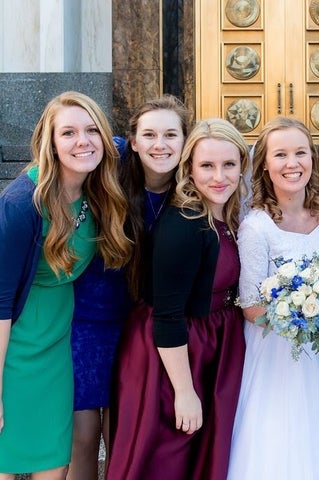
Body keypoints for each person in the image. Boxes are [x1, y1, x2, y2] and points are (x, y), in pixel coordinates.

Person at [0, 91, 132, 479]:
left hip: (53, 343)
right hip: (3, 340)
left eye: (91, 130)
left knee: (54, 461)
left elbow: (148, 144)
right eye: (67, 133)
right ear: (49, 143)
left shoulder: (96, 187)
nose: (82, 141)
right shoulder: (21, 204)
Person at [106, 118, 248, 480]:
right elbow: (167, 316)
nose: (219, 176)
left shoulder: (224, 214)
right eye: (206, 165)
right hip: (170, 357)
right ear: (189, 169)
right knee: (165, 460)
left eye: (229, 164)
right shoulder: (184, 223)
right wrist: (184, 392)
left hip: (208, 346)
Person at [227, 117, 319, 480]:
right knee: (276, 444)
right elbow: (251, 306)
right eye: (281, 155)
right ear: (266, 165)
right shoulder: (256, 226)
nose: (293, 163)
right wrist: (297, 317)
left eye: (300, 152)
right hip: (275, 354)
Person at [68, 95, 190, 479]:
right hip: (85, 319)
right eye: (149, 134)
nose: (160, 144)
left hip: (140, 325)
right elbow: (48, 171)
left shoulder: (191, 190)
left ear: (186, 140)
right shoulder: (110, 164)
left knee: (123, 439)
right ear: (132, 141)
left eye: (171, 134)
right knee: (83, 437)